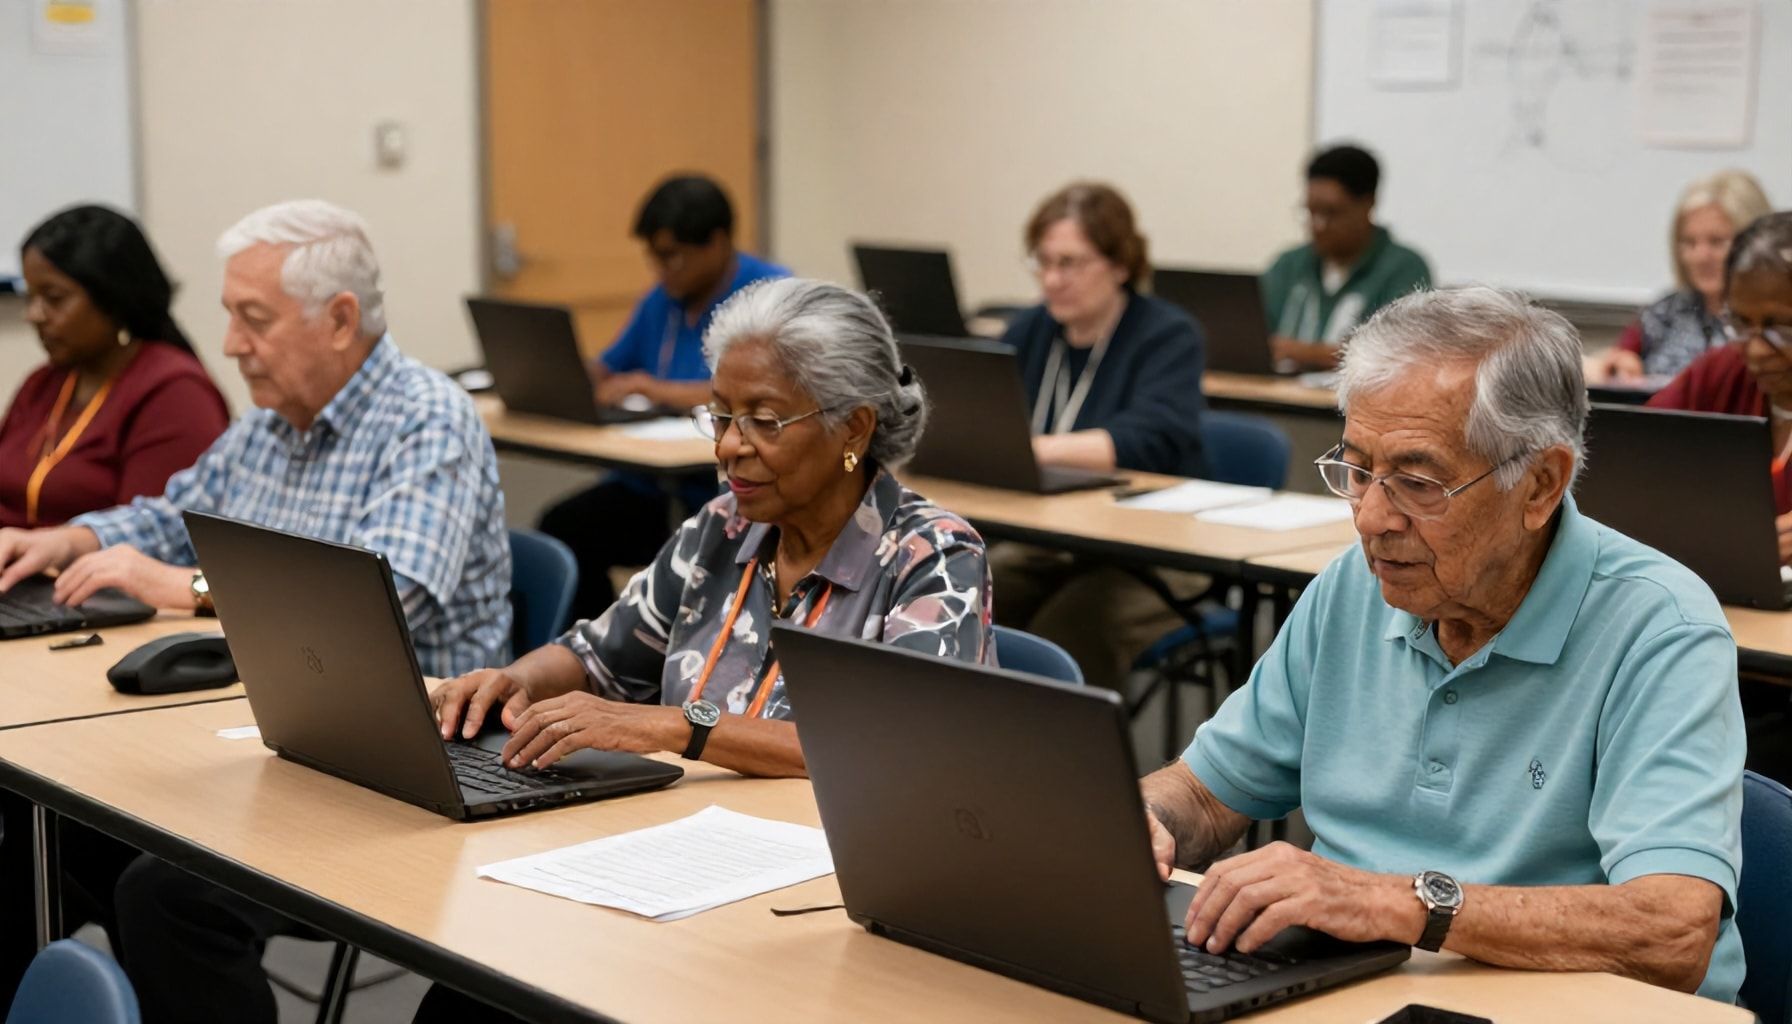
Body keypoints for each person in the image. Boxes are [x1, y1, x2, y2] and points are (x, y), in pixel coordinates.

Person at [119, 278, 994, 1024]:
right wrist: (512, 677)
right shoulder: (725, 528)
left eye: (762, 420)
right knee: (473, 991)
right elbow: (600, 650)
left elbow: (895, 760)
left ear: (852, 429)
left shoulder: (929, 557)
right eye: (720, 415)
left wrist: (669, 727)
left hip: (820, 895)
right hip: (674, 854)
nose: (730, 447)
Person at [1141, 287, 1742, 1003]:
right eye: (1358, 470)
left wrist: (1402, 904)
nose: (1370, 517)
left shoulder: (1659, 627)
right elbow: (1206, 793)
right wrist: (1144, 822)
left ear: (1540, 484)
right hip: (1356, 988)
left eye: (1416, 484)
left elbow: (1671, 930)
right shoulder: (1354, 590)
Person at [0, 199, 514, 1014]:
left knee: (167, 897)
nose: (232, 344)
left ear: (340, 319)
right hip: (273, 732)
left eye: (254, 319)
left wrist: (189, 588)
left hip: (397, 767)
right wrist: (74, 539)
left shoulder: (428, 422)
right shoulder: (273, 424)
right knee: (55, 834)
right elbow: (172, 512)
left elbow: (380, 611)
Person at [539, 174, 789, 618]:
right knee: (564, 526)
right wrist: (559, 368)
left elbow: (770, 395)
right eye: (654, 259)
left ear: (716, 242)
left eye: (672, 258)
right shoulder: (664, 297)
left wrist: (656, 389)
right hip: (648, 485)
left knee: (688, 553)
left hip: (725, 491)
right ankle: (599, 646)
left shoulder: (770, 297)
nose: (661, 271)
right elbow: (612, 365)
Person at [991, 181, 1206, 693]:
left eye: (1070, 263)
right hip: (1055, 538)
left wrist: (1031, 450)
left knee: (1070, 630)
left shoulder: (1166, 335)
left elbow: (1150, 439)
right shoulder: (1031, 330)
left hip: (1158, 549)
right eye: (1043, 263)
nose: (1052, 279)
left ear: (1120, 264)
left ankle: (1060, 771)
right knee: (970, 595)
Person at [0, 205, 228, 527]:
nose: (34, 315)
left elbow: (155, 538)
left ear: (113, 297)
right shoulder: (42, 385)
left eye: (54, 298)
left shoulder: (174, 393)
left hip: (88, 575)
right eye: (30, 297)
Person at [1648, 212, 1792, 545]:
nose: (1755, 349)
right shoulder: (1723, 372)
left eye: (1779, 326)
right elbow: (1636, 456)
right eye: (1741, 323)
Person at [1261, 144, 1432, 370]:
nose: (1318, 226)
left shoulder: (1404, 269)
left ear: (1368, 203)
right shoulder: (1289, 265)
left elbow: (1398, 355)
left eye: (1331, 213)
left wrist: (1303, 353)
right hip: (1275, 398)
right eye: (1311, 212)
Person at [1591, 170, 1772, 382]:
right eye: (1689, 242)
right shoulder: (1663, 313)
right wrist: (1616, 366)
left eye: (1717, 241)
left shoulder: (1775, 318)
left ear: (1756, 242)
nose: (1701, 256)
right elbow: (1614, 361)